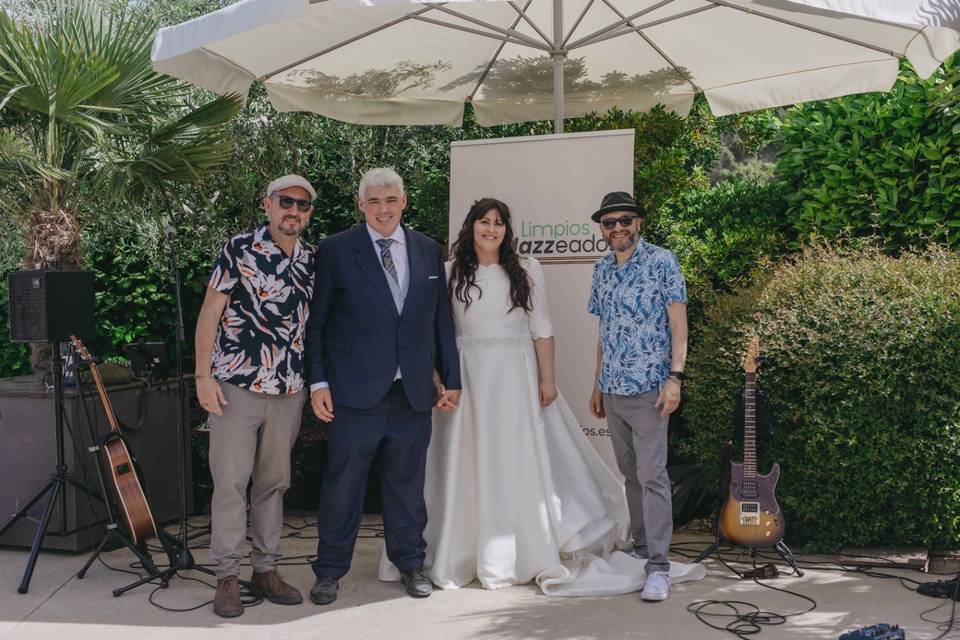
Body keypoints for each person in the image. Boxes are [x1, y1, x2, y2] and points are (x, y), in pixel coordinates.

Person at [306, 167, 461, 605]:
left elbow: (440, 322)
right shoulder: (336, 250)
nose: (383, 209)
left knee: (407, 487)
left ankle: (411, 564)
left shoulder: (429, 251)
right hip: (353, 395)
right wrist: (318, 380)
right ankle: (330, 571)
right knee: (343, 488)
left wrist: (451, 380)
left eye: (390, 200)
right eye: (373, 201)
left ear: (404, 202)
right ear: (361, 206)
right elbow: (317, 323)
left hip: (412, 394)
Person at [194, 174, 317, 618]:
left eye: (303, 206)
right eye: (286, 202)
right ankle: (227, 574)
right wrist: (202, 376)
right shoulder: (238, 249)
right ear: (268, 204)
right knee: (230, 483)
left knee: (274, 485)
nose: (294, 211)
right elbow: (210, 312)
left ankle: (265, 570)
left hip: (289, 391)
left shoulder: (311, 260)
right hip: (236, 387)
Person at [587, 191, 689, 602]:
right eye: (609, 222)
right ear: (602, 229)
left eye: (625, 220)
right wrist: (596, 384)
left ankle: (660, 567)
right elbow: (604, 331)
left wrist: (675, 378)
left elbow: (679, 326)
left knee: (653, 476)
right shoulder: (600, 269)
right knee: (630, 475)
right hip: (612, 389)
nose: (617, 228)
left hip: (651, 389)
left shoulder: (662, 262)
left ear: (639, 222)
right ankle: (642, 548)